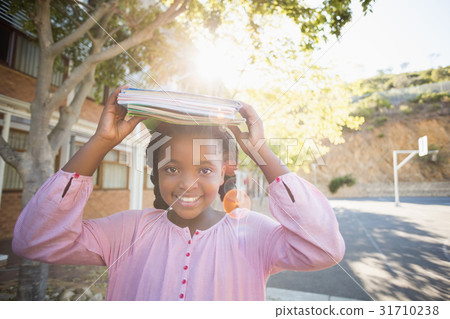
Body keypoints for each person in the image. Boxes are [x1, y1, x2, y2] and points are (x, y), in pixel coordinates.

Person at [12, 86, 345, 301]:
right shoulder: (127, 230)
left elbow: (324, 249)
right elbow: (35, 240)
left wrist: (260, 150)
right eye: (172, 168)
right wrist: (102, 142)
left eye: (204, 169)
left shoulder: (254, 234)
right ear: (154, 172)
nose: (187, 183)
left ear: (224, 171)